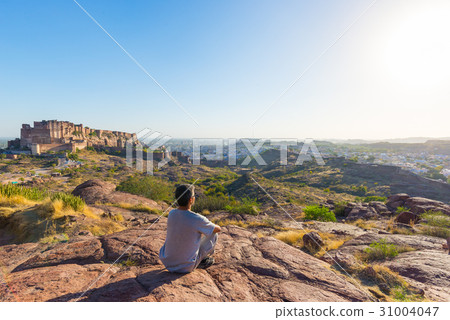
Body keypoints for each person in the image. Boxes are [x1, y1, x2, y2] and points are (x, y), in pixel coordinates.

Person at [159, 184, 221, 273]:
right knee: (214, 234)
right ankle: (201, 260)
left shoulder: (171, 213)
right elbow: (218, 229)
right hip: (186, 267)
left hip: (167, 263)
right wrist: (209, 224)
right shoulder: (197, 218)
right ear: (191, 200)